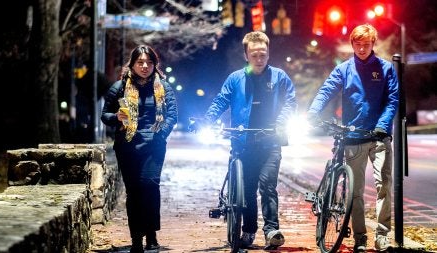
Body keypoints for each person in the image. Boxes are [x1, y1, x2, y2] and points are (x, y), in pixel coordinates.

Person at [189, 31, 297, 250]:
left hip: (271, 141)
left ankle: (271, 231)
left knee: (268, 186)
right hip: (242, 142)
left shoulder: (279, 77)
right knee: (247, 191)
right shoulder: (235, 78)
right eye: (254, 54)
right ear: (246, 55)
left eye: (263, 54)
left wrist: (281, 122)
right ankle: (248, 231)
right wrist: (207, 119)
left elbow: (290, 101)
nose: (259, 59)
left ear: (268, 53)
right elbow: (221, 101)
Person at [307, 24, 399, 252]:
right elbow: (326, 90)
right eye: (357, 44)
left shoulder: (386, 69)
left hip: (379, 136)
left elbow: (392, 100)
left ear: (373, 44)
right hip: (353, 136)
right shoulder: (344, 70)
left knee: (384, 186)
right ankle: (360, 237)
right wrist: (313, 111)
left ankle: (382, 235)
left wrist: (382, 125)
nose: (361, 48)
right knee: (355, 192)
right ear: (352, 44)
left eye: (366, 44)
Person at [101, 45, 178, 253]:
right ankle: (136, 238)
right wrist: (116, 117)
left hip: (154, 146)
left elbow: (172, 115)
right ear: (133, 64)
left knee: (150, 186)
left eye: (149, 63)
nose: (145, 66)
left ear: (155, 64)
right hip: (127, 147)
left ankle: (151, 234)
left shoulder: (163, 87)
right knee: (134, 191)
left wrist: (161, 134)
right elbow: (105, 115)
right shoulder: (119, 87)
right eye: (140, 62)